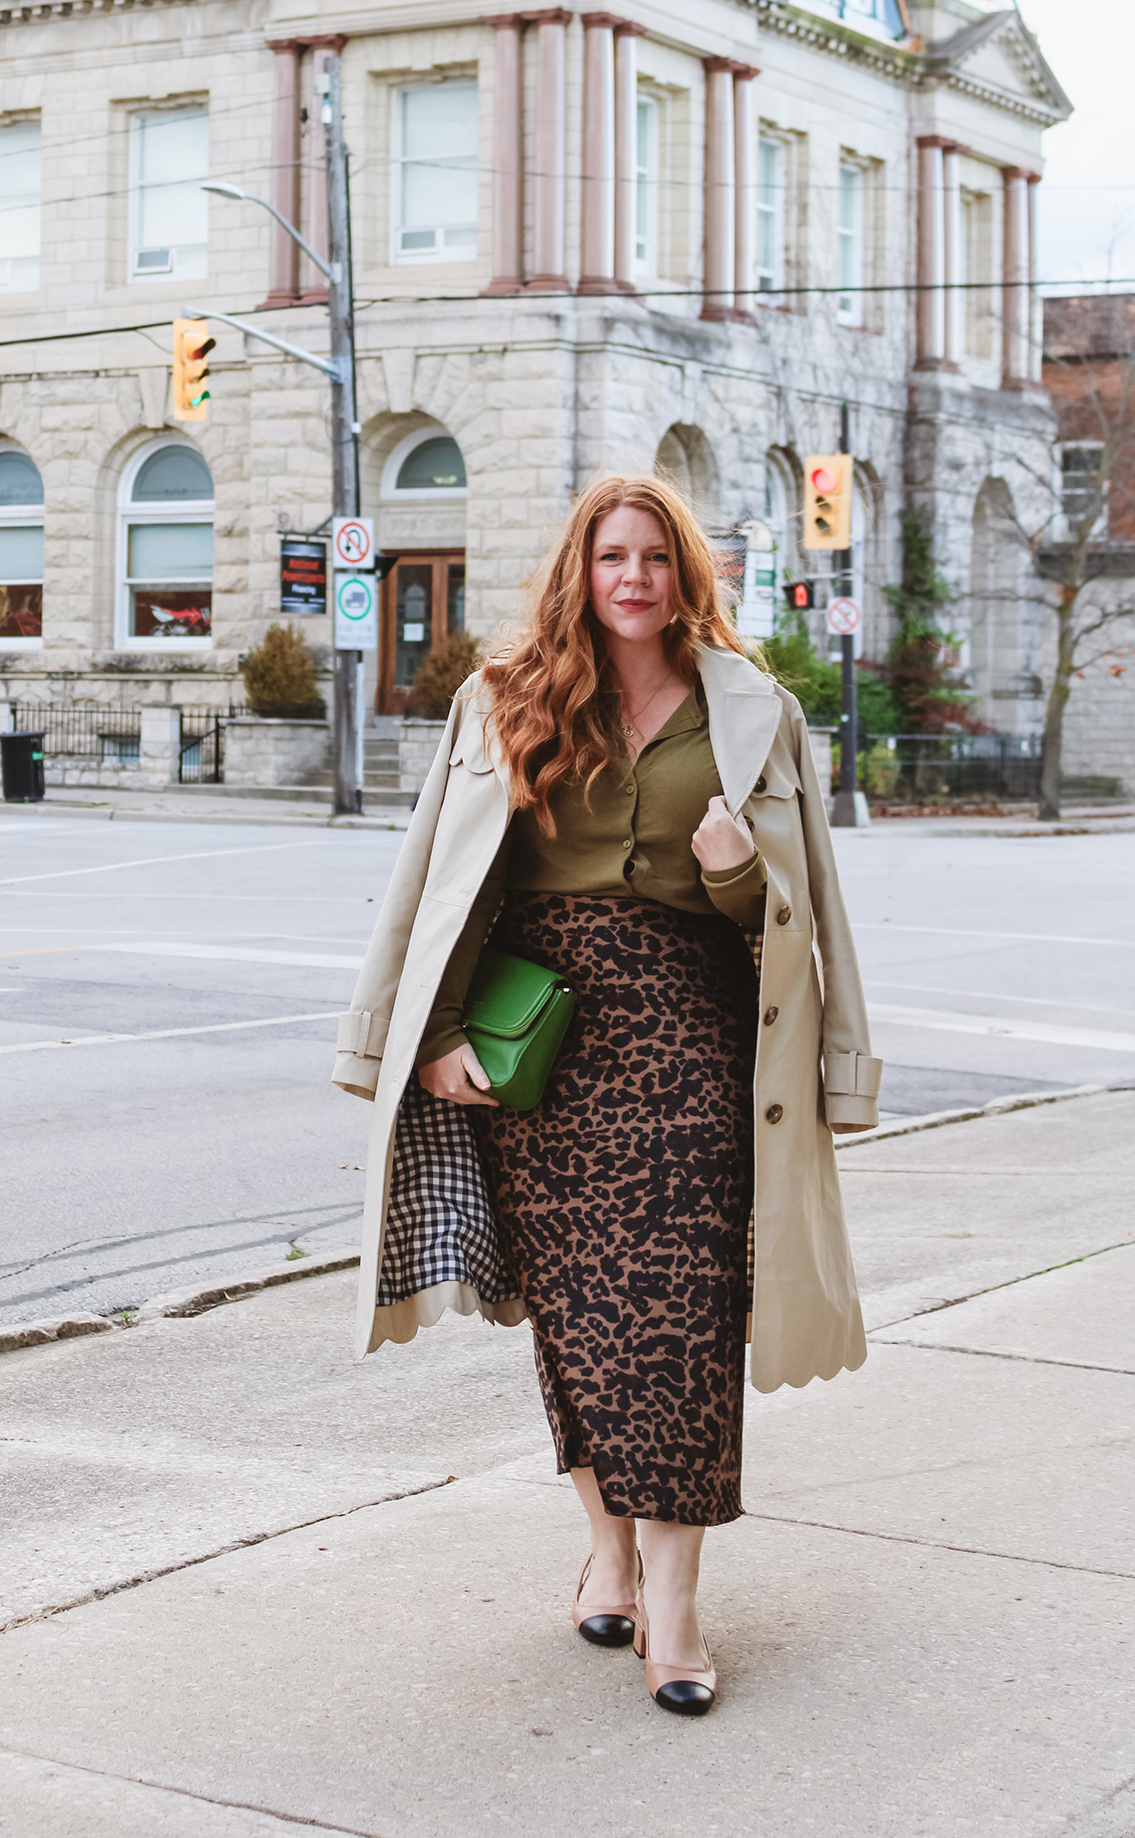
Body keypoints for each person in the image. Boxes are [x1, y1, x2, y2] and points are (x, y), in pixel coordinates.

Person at [332, 473, 882, 1717]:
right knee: (576, 1313)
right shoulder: (503, 699)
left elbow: (809, 913)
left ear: (687, 575)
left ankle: (676, 1602)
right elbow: (436, 881)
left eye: (654, 557)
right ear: (578, 573)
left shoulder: (755, 711)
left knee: (682, 1311)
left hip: (693, 1035)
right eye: (609, 557)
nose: (631, 577)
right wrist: (425, 1039)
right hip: (538, 1035)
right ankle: (610, 1549)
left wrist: (738, 875)